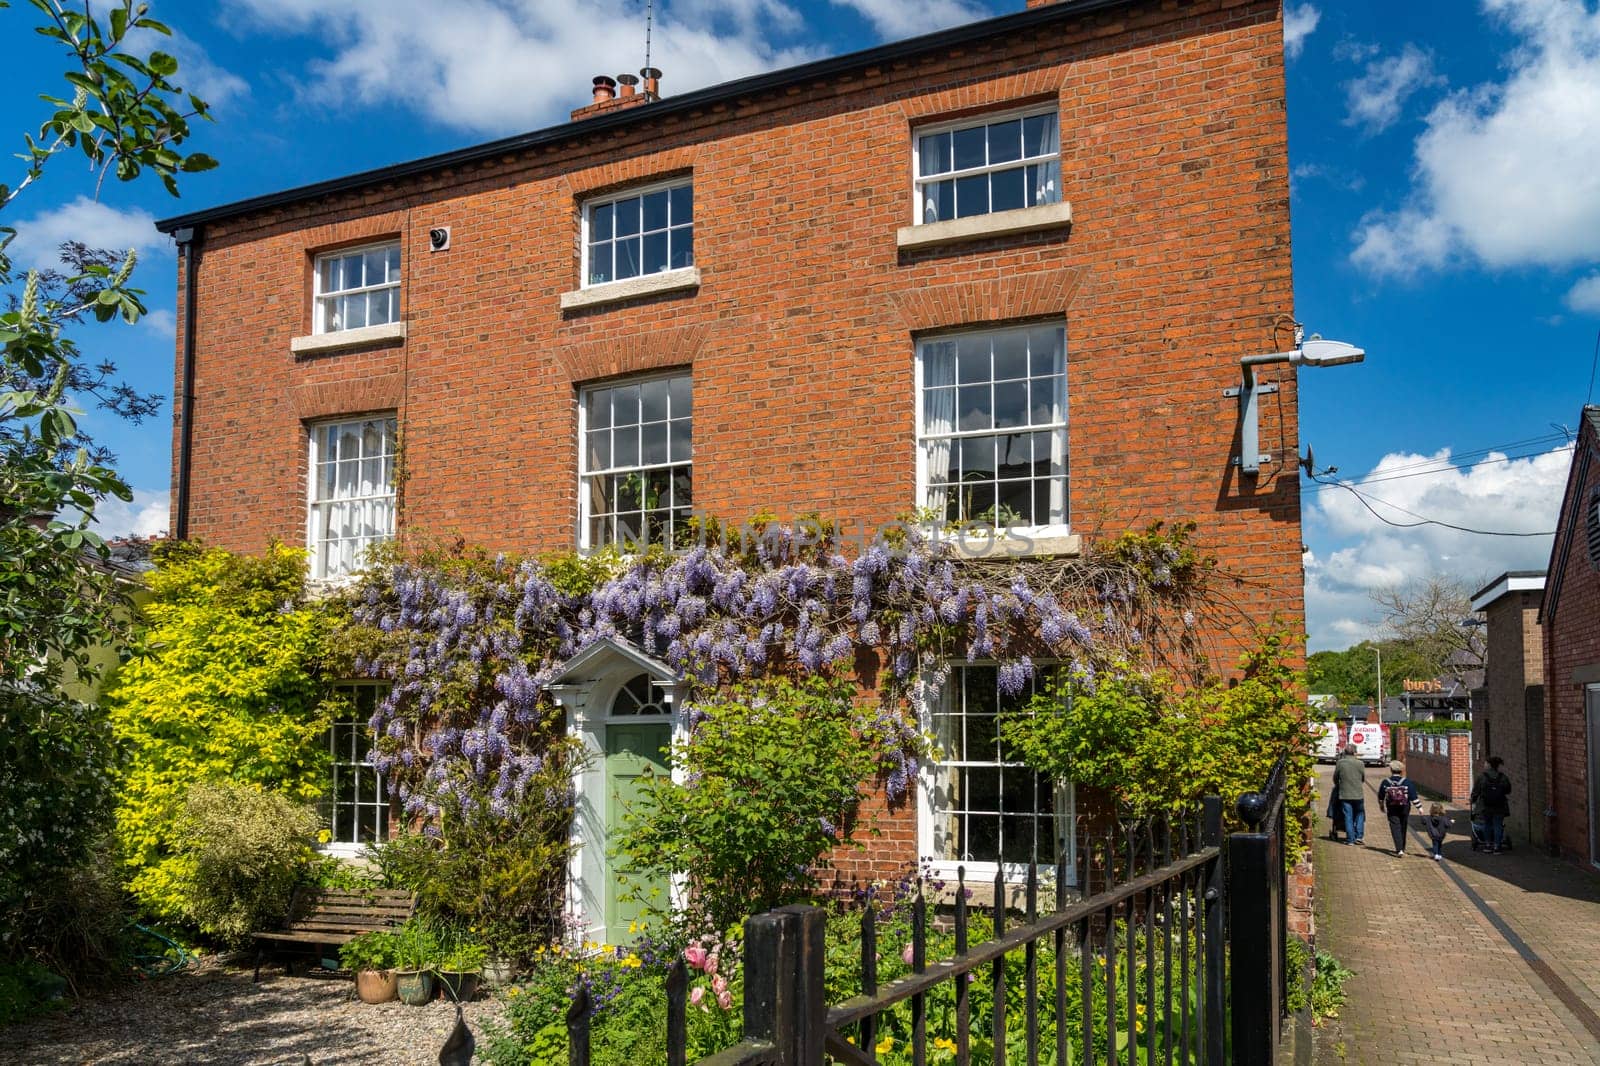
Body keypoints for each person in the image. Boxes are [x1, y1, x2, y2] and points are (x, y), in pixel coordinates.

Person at [1378, 760, 1421, 856]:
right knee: (1403, 826)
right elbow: (1414, 797)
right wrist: (1420, 808)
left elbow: (1381, 796)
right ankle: (1403, 847)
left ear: (1391, 770)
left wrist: (1381, 806)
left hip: (1392, 808)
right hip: (1405, 807)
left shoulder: (1386, 782)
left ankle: (1399, 849)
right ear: (1401, 770)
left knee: (1395, 827)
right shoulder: (1407, 782)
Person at [1471, 756, 1513, 853]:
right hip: (1500, 805)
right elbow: (1508, 790)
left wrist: (1474, 800)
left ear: (1489, 765)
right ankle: (1497, 846)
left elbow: (1475, 792)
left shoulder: (1482, 777)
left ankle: (1487, 845)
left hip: (1486, 806)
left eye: (1485, 763)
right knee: (1498, 825)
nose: (1484, 764)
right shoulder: (1503, 777)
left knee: (1487, 824)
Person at [1334, 743, 1367, 845]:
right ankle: (1359, 836)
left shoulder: (1340, 763)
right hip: (1358, 794)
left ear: (1345, 752)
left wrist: (1339, 785)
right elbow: (1363, 779)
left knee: (1348, 816)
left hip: (1344, 794)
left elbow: (1335, 778)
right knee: (1360, 814)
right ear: (1354, 752)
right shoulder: (1360, 763)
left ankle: (1350, 840)